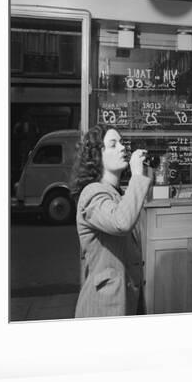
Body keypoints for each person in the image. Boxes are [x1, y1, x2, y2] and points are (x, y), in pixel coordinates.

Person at [70, 125, 151, 318]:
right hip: (103, 306)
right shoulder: (92, 193)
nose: (122, 147)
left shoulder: (117, 194)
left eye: (122, 142)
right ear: (97, 155)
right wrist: (137, 176)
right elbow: (121, 222)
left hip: (126, 300)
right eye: (113, 144)